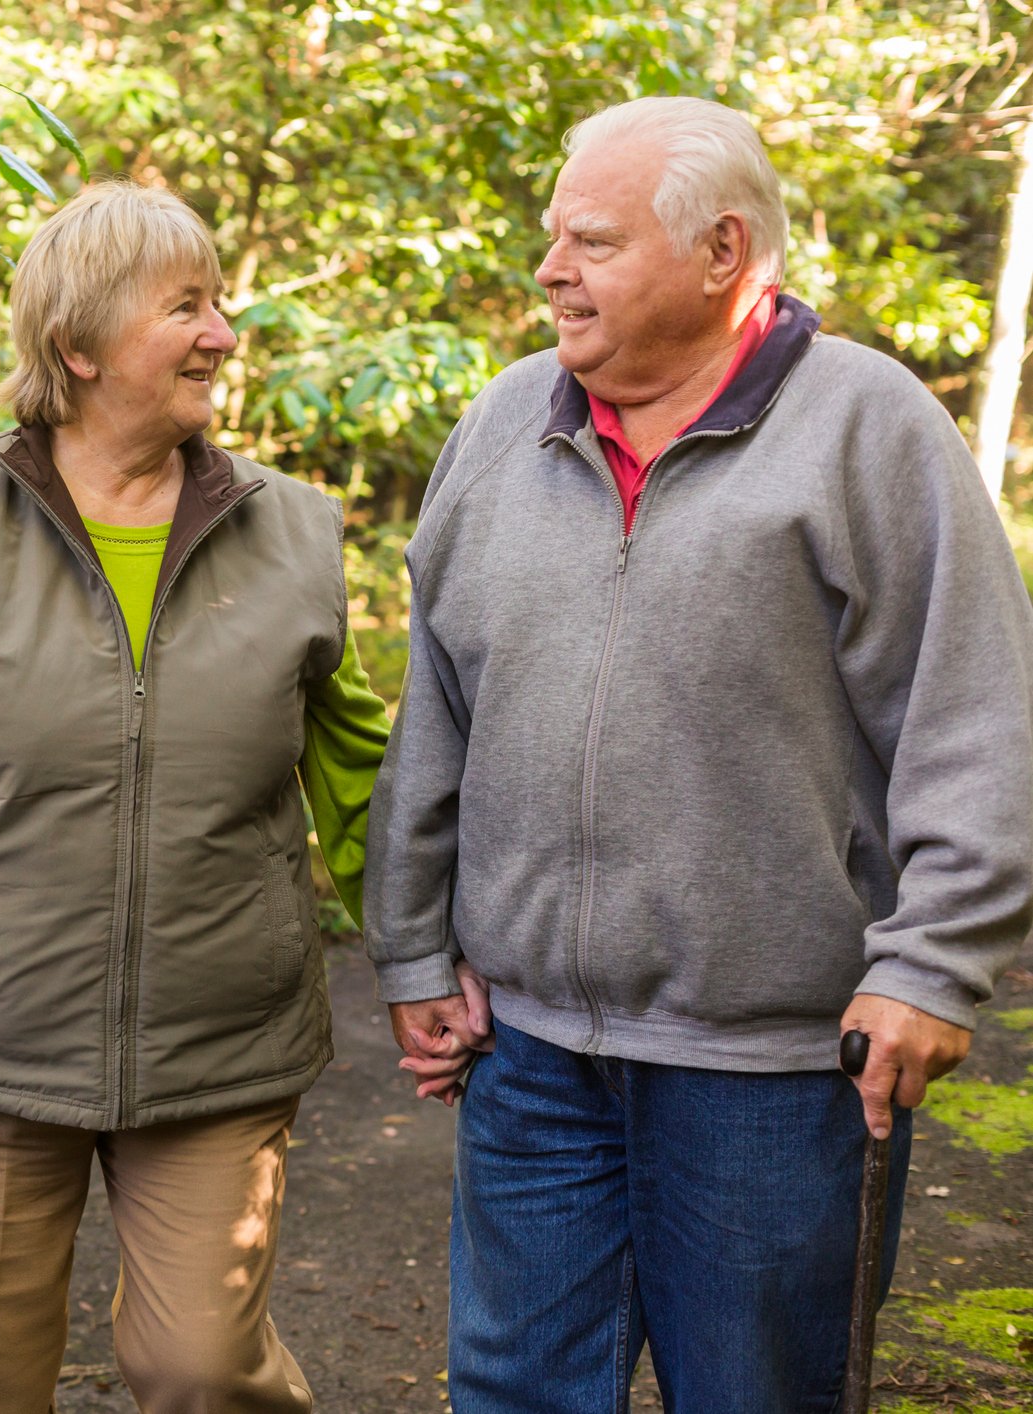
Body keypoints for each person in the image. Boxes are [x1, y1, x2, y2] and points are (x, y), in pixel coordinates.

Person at [363, 95, 1033, 1410]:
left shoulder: (869, 428)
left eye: (594, 242)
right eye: (554, 237)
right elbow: (437, 703)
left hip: (774, 1073)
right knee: (512, 1392)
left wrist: (934, 964)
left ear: (724, 251)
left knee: (754, 1394)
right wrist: (412, 945)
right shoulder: (503, 423)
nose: (550, 270)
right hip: (529, 1058)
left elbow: (974, 715)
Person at [0, 179, 393, 1413]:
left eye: (218, 303)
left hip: (218, 1047)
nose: (223, 333)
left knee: (202, 1370)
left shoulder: (292, 534)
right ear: (77, 345)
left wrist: (430, 964)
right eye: (187, 307)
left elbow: (361, 777)